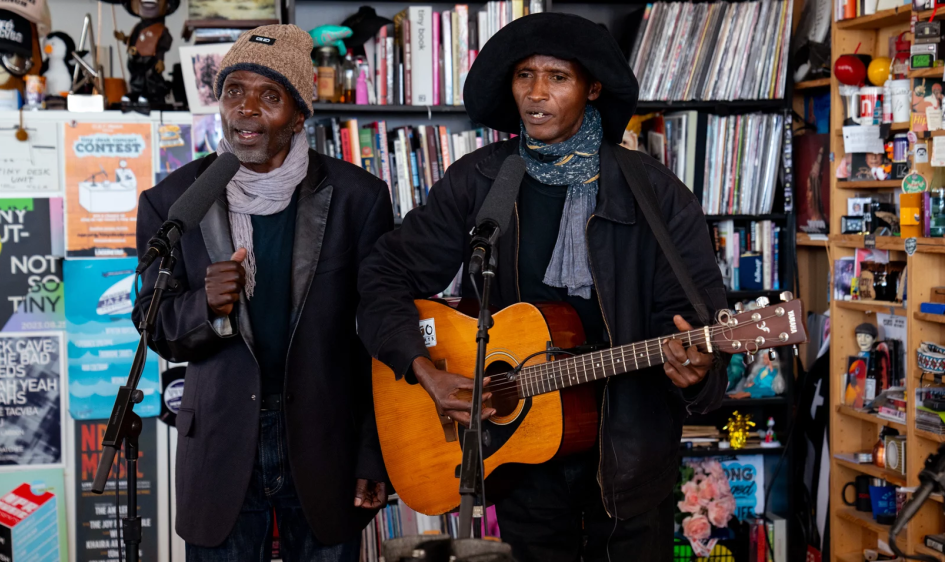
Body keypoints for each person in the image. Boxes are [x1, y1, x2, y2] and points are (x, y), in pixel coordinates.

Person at [356, 13, 728, 562]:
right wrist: (421, 366)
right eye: (524, 75)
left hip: (628, 470)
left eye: (557, 77)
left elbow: (696, 322)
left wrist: (695, 372)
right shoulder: (480, 181)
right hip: (516, 461)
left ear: (592, 88)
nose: (536, 93)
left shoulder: (655, 193)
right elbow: (383, 273)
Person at [134, 25, 393, 561]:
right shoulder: (174, 201)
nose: (246, 109)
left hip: (326, 443)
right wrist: (203, 305)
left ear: (299, 115)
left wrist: (375, 453)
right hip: (221, 444)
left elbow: (378, 335)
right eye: (234, 91)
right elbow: (154, 326)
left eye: (268, 96)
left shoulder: (356, 199)